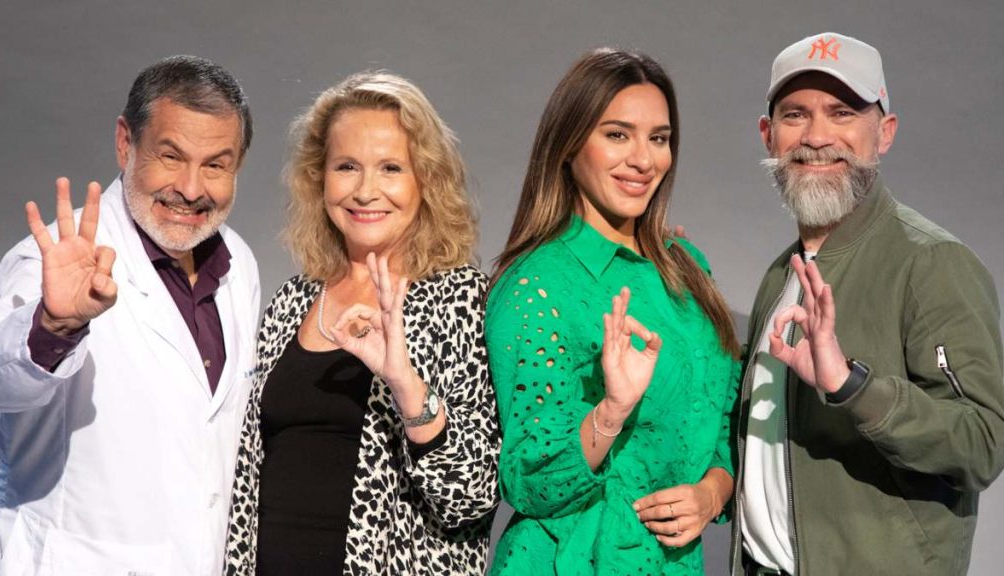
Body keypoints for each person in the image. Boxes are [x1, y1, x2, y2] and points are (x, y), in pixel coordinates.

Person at [732, 32, 1004, 576]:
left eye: (843, 112)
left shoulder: (932, 262)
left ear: (885, 133)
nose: (817, 137)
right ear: (768, 135)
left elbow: (982, 443)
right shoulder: (780, 275)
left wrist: (850, 385)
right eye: (795, 114)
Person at [0, 55, 259, 575]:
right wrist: (55, 326)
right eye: (171, 156)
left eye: (215, 165)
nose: (191, 189)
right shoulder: (58, 259)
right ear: (126, 143)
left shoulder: (238, 262)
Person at [224, 72, 500, 575]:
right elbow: (247, 479)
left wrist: (405, 385)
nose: (366, 190)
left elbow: (472, 497)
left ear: (426, 181)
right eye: (347, 166)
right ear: (320, 179)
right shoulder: (292, 301)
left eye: (391, 168)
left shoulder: (461, 299)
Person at [486, 48, 741, 576]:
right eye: (617, 135)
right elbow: (528, 484)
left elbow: (722, 421)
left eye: (659, 138)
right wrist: (612, 411)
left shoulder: (688, 266)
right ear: (569, 144)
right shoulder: (536, 285)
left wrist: (712, 493)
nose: (644, 160)